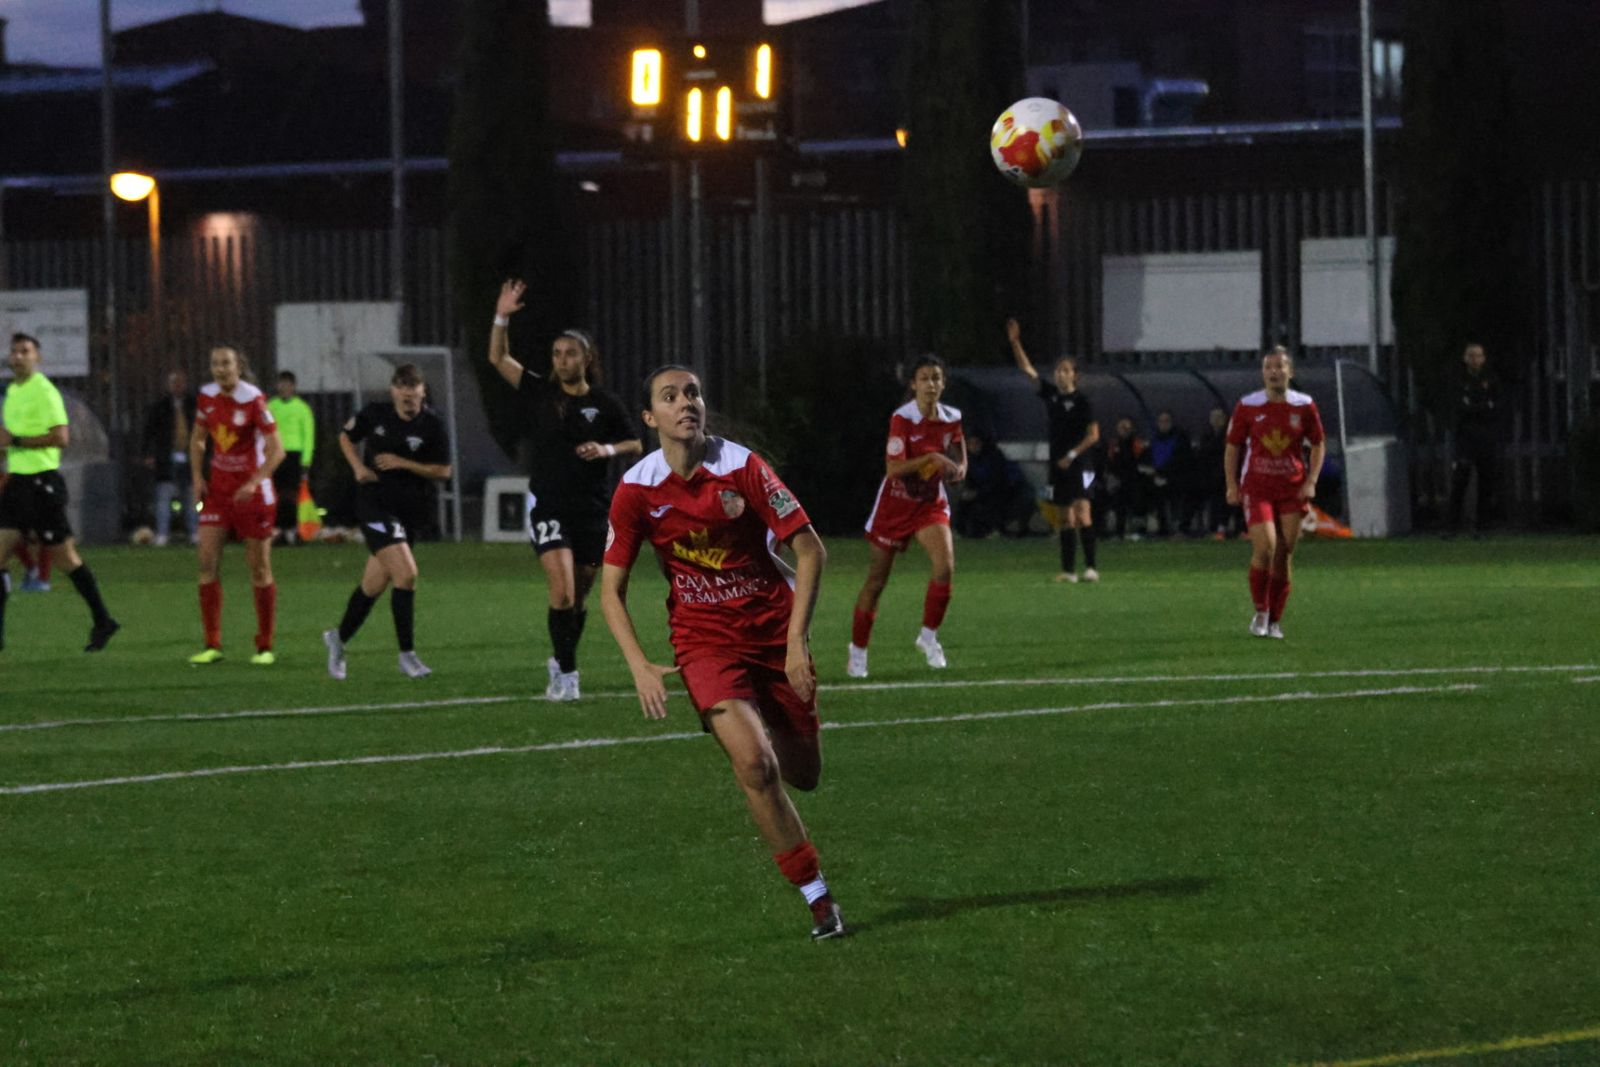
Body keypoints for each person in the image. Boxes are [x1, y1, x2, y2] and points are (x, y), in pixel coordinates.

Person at [600, 364, 844, 941]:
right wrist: (638, 664)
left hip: (771, 629)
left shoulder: (742, 467)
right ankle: (817, 898)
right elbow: (611, 590)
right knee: (756, 766)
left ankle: (772, 721)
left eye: (693, 392)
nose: (686, 402)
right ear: (650, 417)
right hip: (704, 640)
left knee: (803, 773)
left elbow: (811, 553)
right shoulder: (637, 488)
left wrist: (794, 643)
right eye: (670, 396)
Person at [489, 279, 642, 702]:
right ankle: (568, 677)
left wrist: (606, 448)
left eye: (569, 353)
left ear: (586, 358)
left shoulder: (606, 403)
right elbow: (497, 357)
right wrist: (502, 314)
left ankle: (560, 657)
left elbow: (635, 443)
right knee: (562, 591)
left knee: (579, 598)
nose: (561, 359)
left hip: (592, 511)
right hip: (549, 506)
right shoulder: (540, 391)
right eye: (556, 353)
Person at [322, 363, 452, 680]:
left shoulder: (432, 425)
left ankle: (337, 639)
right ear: (393, 390)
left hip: (410, 513)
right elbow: (345, 437)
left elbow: (443, 471)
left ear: (422, 391)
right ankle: (407, 655)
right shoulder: (376, 414)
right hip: (375, 506)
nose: (407, 392)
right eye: (401, 386)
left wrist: (403, 463)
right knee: (406, 576)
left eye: (413, 386)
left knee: (373, 585)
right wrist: (358, 468)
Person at [847, 354, 966, 677]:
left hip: (929, 505)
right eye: (925, 378)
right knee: (877, 581)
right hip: (894, 506)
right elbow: (894, 469)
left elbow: (957, 442)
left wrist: (961, 464)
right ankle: (857, 652)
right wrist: (933, 457)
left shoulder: (951, 416)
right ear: (913, 384)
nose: (931, 384)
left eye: (936, 378)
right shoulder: (902, 419)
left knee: (945, 567)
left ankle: (928, 638)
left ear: (943, 383)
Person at [0, 332, 120, 653]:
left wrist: (17, 442)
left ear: (37, 358)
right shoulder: (13, 392)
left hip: (42, 484)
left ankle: (103, 619)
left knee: (66, 558)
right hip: (18, 483)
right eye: (14, 351)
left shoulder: (45, 391)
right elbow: (8, 437)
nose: (18, 356)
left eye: (25, 351)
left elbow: (61, 437)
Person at [189, 345, 285, 665]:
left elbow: (277, 451)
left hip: (254, 496)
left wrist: (254, 482)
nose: (220, 369)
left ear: (238, 366)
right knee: (206, 563)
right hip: (218, 493)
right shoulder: (206, 397)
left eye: (226, 363)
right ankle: (212, 644)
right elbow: (198, 438)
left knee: (258, 568)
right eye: (215, 364)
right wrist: (197, 478)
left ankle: (264, 646)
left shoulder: (254, 400)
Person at [1223, 345, 1326, 640]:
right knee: (1265, 546)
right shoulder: (1248, 406)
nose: (1274, 372)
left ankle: (1275, 621)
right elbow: (1232, 447)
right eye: (1268, 367)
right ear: (1262, 373)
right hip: (1257, 488)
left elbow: (1318, 443)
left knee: (1284, 553)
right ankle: (1261, 611)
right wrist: (1232, 484)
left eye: (1280, 366)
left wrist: (1312, 480)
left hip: (1292, 489)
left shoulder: (1304, 405)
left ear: (1290, 372)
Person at [1007, 318, 1100, 581]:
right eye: (1058, 370)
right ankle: (1069, 571)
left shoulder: (1083, 401)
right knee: (1064, 517)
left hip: (1083, 464)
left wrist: (1072, 455)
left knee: (1084, 513)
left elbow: (1094, 435)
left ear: (1075, 375)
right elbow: (1028, 371)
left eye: (1065, 370)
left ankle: (1091, 568)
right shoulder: (1051, 396)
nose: (1060, 374)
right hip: (1058, 464)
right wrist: (1015, 343)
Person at [141, 368, 199, 547]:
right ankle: (163, 533)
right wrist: (147, 454)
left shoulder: (194, 405)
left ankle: (194, 532)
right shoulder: (160, 406)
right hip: (166, 456)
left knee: (190, 496)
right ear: (169, 385)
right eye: (174, 383)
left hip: (189, 457)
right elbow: (148, 432)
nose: (178, 386)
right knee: (164, 496)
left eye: (180, 382)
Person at [1446, 342, 1500, 534]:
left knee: (1486, 484)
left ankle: (1483, 527)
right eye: (1471, 356)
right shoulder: (1460, 380)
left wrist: (1478, 407)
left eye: (1478, 356)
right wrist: (1482, 407)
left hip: (1486, 440)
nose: (1475, 360)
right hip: (1466, 440)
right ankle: (1453, 527)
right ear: (1465, 358)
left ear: (1483, 359)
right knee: (1460, 482)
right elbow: (1461, 409)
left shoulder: (1491, 379)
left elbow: (1495, 406)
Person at [953, 432, 1033, 539]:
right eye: (970, 444)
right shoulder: (969, 459)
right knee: (964, 502)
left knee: (990, 504)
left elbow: (998, 481)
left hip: (1002, 491)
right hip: (982, 491)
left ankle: (993, 529)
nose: (974, 447)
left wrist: (978, 493)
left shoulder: (994, 456)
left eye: (976, 443)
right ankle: (959, 530)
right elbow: (970, 480)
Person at [267, 370, 316, 544]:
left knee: (294, 495)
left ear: (293, 387)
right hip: (275, 455)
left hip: (295, 456)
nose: (284, 388)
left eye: (288, 384)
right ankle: (279, 531)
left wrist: (306, 462)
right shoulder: (271, 406)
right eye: (282, 384)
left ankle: (296, 530)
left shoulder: (302, 408)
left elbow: (308, 436)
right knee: (276, 494)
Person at [1193, 406, 1238, 539]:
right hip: (1209, 476)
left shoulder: (1230, 435)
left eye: (1219, 417)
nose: (1216, 420)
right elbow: (1202, 456)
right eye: (1213, 417)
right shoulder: (1206, 436)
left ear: (1225, 419)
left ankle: (1224, 527)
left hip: (1226, 475)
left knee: (1225, 497)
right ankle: (1213, 528)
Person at [1104, 415, 1152, 539]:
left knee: (1138, 498)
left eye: (1127, 427)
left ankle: (1139, 531)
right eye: (1121, 427)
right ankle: (1119, 532)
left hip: (1135, 481)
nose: (1124, 430)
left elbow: (1142, 466)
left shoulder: (1138, 445)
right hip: (1118, 482)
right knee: (1117, 500)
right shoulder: (1113, 446)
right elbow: (1110, 465)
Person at [1148, 410, 1192, 537]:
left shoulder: (1180, 438)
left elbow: (1182, 461)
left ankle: (1178, 527)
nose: (1163, 424)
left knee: (1176, 494)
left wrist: (1163, 474)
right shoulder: (1155, 439)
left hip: (1177, 478)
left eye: (1166, 421)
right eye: (1161, 421)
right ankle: (1163, 528)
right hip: (1158, 479)